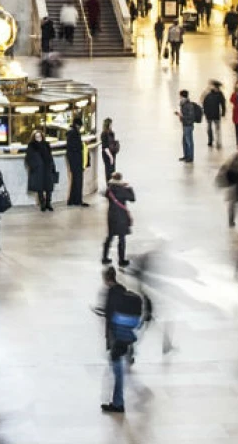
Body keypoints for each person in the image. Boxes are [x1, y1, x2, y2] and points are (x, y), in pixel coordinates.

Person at [97, 266, 143, 414]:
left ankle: (118, 403)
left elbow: (110, 318)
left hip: (118, 337)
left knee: (117, 370)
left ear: (106, 279)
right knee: (118, 368)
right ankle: (117, 401)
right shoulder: (122, 289)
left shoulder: (110, 293)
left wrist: (108, 342)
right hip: (126, 334)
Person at [103, 172, 135, 266]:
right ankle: (121, 260)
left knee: (110, 237)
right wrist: (129, 188)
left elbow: (106, 194)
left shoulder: (109, 190)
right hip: (121, 216)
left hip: (111, 215)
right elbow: (132, 198)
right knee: (121, 238)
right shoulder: (123, 190)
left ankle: (105, 257)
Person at [24, 130, 56, 212]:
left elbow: (50, 156)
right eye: (37, 137)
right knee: (40, 187)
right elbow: (28, 158)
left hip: (47, 168)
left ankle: (48, 203)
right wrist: (35, 166)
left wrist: (52, 166)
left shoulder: (46, 145)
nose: (38, 138)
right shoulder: (31, 146)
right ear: (34, 138)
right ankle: (42, 204)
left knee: (49, 187)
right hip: (38, 170)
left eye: (40, 136)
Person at [65, 120, 88, 206]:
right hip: (76, 161)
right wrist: (81, 145)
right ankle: (77, 200)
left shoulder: (71, 132)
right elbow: (75, 147)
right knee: (78, 181)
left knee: (75, 181)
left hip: (74, 161)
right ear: (77, 125)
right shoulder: (73, 133)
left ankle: (72, 200)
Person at [175, 90, 200, 163]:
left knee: (189, 142)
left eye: (180, 96)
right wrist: (180, 115)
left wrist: (181, 116)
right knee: (184, 142)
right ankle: (186, 156)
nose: (179, 97)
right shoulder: (183, 104)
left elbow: (191, 116)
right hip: (185, 125)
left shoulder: (188, 105)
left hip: (188, 126)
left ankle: (190, 157)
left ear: (182, 96)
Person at [202, 81, 227, 149]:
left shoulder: (220, 94)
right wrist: (204, 111)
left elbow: (223, 104)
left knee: (217, 129)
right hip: (210, 114)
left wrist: (223, 113)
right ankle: (211, 140)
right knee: (209, 129)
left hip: (215, 114)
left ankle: (218, 142)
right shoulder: (207, 93)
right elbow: (203, 102)